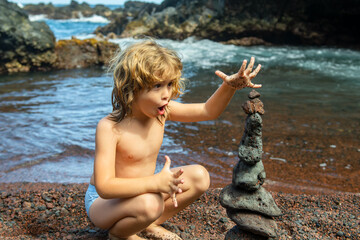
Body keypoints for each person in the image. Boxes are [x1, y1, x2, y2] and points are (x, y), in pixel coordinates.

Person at [84, 40, 262, 240]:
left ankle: (148, 223)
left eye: (169, 84)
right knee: (150, 204)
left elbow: (207, 111)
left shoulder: (163, 113)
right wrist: (155, 182)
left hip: (144, 194)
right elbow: (105, 187)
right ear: (132, 88)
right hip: (104, 203)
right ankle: (120, 234)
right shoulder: (110, 127)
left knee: (199, 176)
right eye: (157, 86)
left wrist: (229, 86)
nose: (166, 94)